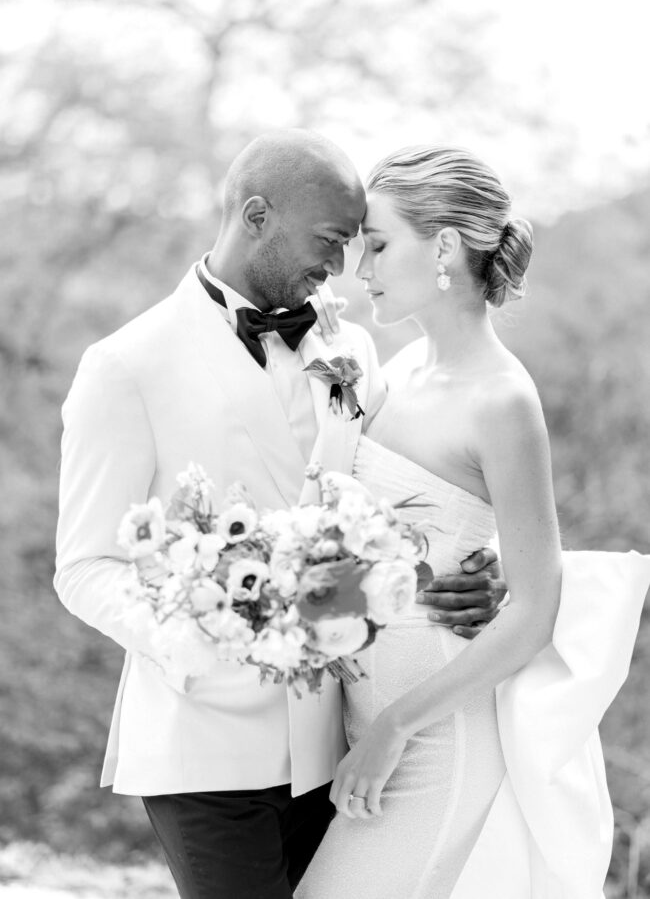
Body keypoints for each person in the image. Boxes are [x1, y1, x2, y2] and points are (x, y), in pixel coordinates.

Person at [53, 130, 502, 899]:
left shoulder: (350, 348)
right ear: (257, 216)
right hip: (205, 743)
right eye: (329, 240)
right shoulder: (126, 366)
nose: (341, 266)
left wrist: (473, 563)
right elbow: (84, 564)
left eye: (354, 243)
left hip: (336, 736)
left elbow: (401, 492)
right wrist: (196, 637)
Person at [295, 146, 650, 899]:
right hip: (361, 727)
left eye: (378, 245)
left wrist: (395, 727)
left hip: (432, 743)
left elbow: (536, 610)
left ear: (446, 247)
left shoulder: (503, 400)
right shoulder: (395, 374)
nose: (361, 269)